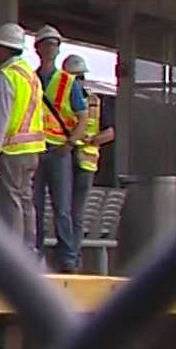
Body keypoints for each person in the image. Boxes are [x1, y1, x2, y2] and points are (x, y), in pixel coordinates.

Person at [0, 23, 46, 246]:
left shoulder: (6, 77)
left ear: (5, 48)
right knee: (26, 202)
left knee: (11, 203)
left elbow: (1, 119)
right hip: (32, 151)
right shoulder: (30, 75)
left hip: (12, 151)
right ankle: (29, 252)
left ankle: (13, 256)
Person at [30, 24, 86, 272]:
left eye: (53, 44)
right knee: (36, 206)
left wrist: (71, 143)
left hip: (58, 151)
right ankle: (37, 254)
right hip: (36, 148)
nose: (49, 49)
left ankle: (68, 258)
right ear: (37, 48)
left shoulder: (67, 82)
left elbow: (82, 116)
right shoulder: (30, 79)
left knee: (62, 208)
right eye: (46, 44)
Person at [64, 54, 115, 246]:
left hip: (73, 160)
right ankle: (71, 255)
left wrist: (89, 140)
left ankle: (71, 255)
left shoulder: (96, 101)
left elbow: (110, 133)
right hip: (79, 161)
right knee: (73, 212)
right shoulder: (96, 101)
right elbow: (110, 133)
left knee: (70, 212)